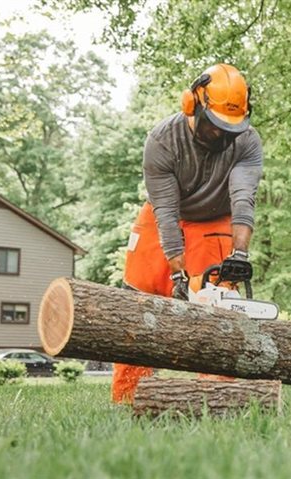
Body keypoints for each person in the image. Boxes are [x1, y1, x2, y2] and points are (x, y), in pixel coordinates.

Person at [111, 63, 264, 404]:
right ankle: (129, 397)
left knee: (220, 304)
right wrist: (178, 271)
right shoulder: (162, 140)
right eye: (216, 128)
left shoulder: (248, 143)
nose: (223, 137)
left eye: (232, 130)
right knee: (137, 301)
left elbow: (242, 197)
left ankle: (218, 395)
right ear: (192, 105)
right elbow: (166, 212)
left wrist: (240, 254)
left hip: (215, 221)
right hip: (164, 220)